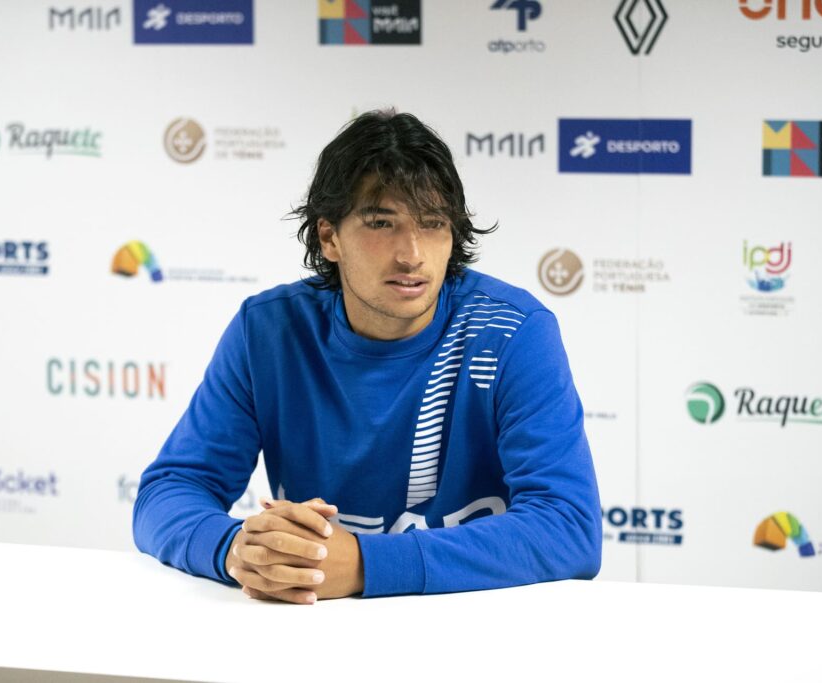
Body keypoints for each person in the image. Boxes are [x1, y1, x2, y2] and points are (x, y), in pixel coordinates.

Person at [133, 110, 601, 604]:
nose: (412, 254)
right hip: (312, 625)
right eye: (381, 223)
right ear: (329, 237)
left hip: (470, 622)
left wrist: (363, 564)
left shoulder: (512, 332)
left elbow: (568, 527)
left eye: (433, 224)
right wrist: (236, 550)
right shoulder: (268, 330)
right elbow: (170, 490)